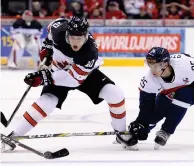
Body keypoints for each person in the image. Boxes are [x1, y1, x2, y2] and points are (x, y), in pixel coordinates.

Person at [1, 16, 136, 152]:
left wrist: (44, 78)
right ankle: (14, 136)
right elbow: (50, 32)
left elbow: (73, 80)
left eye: (80, 38)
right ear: (67, 33)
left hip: (82, 75)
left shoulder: (89, 52)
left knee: (115, 93)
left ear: (86, 35)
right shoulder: (57, 29)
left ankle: (121, 132)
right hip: (58, 70)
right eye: (73, 37)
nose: (76, 42)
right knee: (46, 103)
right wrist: (47, 47)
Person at [126, 47, 194, 150]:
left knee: (185, 95)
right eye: (150, 65)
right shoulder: (148, 80)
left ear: (165, 64)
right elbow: (146, 107)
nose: (152, 69)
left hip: (191, 86)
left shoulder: (186, 65)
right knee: (155, 114)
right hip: (169, 91)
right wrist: (141, 123)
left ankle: (166, 130)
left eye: (156, 66)